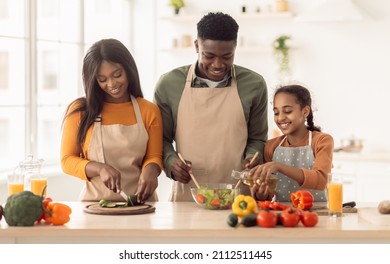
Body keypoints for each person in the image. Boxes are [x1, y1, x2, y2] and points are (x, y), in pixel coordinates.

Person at [154, 12, 268, 201]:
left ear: (235, 48)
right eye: (209, 55)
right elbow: (161, 139)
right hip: (188, 193)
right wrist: (170, 162)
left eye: (227, 56)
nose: (218, 64)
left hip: (239, 195)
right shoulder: (169, 84)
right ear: (197, 46)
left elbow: (257, 138)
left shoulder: (254, 84)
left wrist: (252, 159)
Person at [60, 38, 163, 203]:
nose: (112, 84)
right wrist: (100, 169)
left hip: (141, 204)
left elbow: (154, 156)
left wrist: (152, 169)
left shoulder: (148, 110)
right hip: (95, 205)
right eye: (102, 79)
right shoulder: (80, 111)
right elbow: (67, 160)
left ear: (129, 69)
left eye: (117, 74)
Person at [249, 84, 334, 202]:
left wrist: (278, 166)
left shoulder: (321, 141)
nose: (280, 118)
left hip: (317, 215)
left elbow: (321, 180)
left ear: (305, 111)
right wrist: (261, 194)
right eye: (276, 112)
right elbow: (269, 194)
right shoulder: (271, 146)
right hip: (283, 215)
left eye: (287, 111)